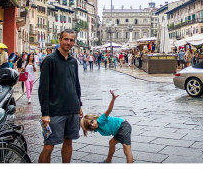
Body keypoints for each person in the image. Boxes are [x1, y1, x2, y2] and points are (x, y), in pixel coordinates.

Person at [38, 29, 83, 163]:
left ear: (74, 42)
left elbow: (76, 84)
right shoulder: (49, 60)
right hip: (55, 111)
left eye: (71, 40)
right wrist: (45, 113)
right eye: (66, 39)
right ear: (60, 40)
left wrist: (79, 104)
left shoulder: (73, 61)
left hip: (72, 109)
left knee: (68, 141)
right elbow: (43, 88)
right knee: (48, 146)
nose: (68, 42)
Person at [81, 90, 133, 163]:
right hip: (118, 131)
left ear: (94, 118)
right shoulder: (96, 128)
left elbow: (109, 110)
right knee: (111, 143)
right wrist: (80, 117)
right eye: (90, 126)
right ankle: (108, 161)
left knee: (127, 149)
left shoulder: (100, 120)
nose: (92, 125)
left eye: (92, 121)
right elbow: (84, 127)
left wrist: (113, 99)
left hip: (123, 126)